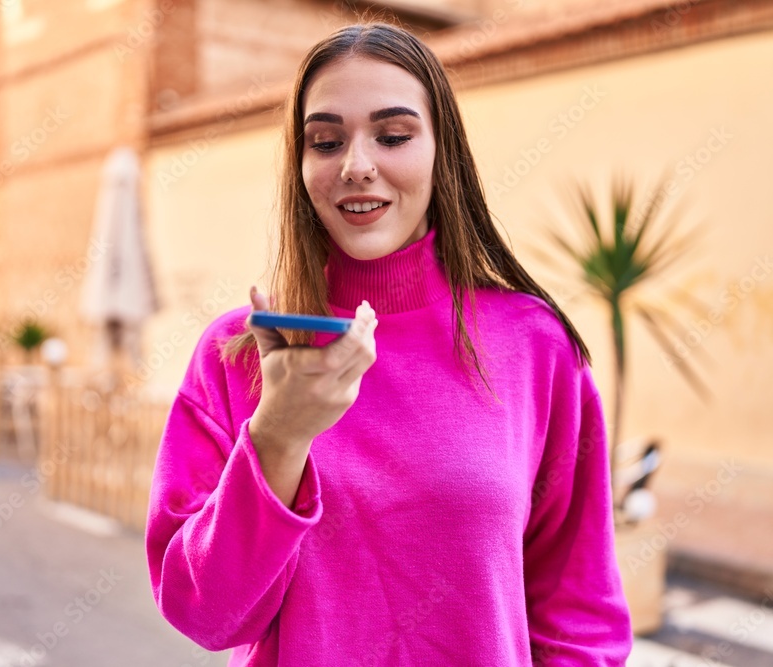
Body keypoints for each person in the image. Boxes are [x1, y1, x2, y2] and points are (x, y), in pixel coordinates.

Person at [145, 21, 633, 666]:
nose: (356, 166)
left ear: (442, 153)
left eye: (394, 135)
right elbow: (205, 615)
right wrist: (278, 438)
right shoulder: (237, 353)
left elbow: (578, 615)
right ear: (301, 165)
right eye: (325, 141)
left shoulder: (535, 346)